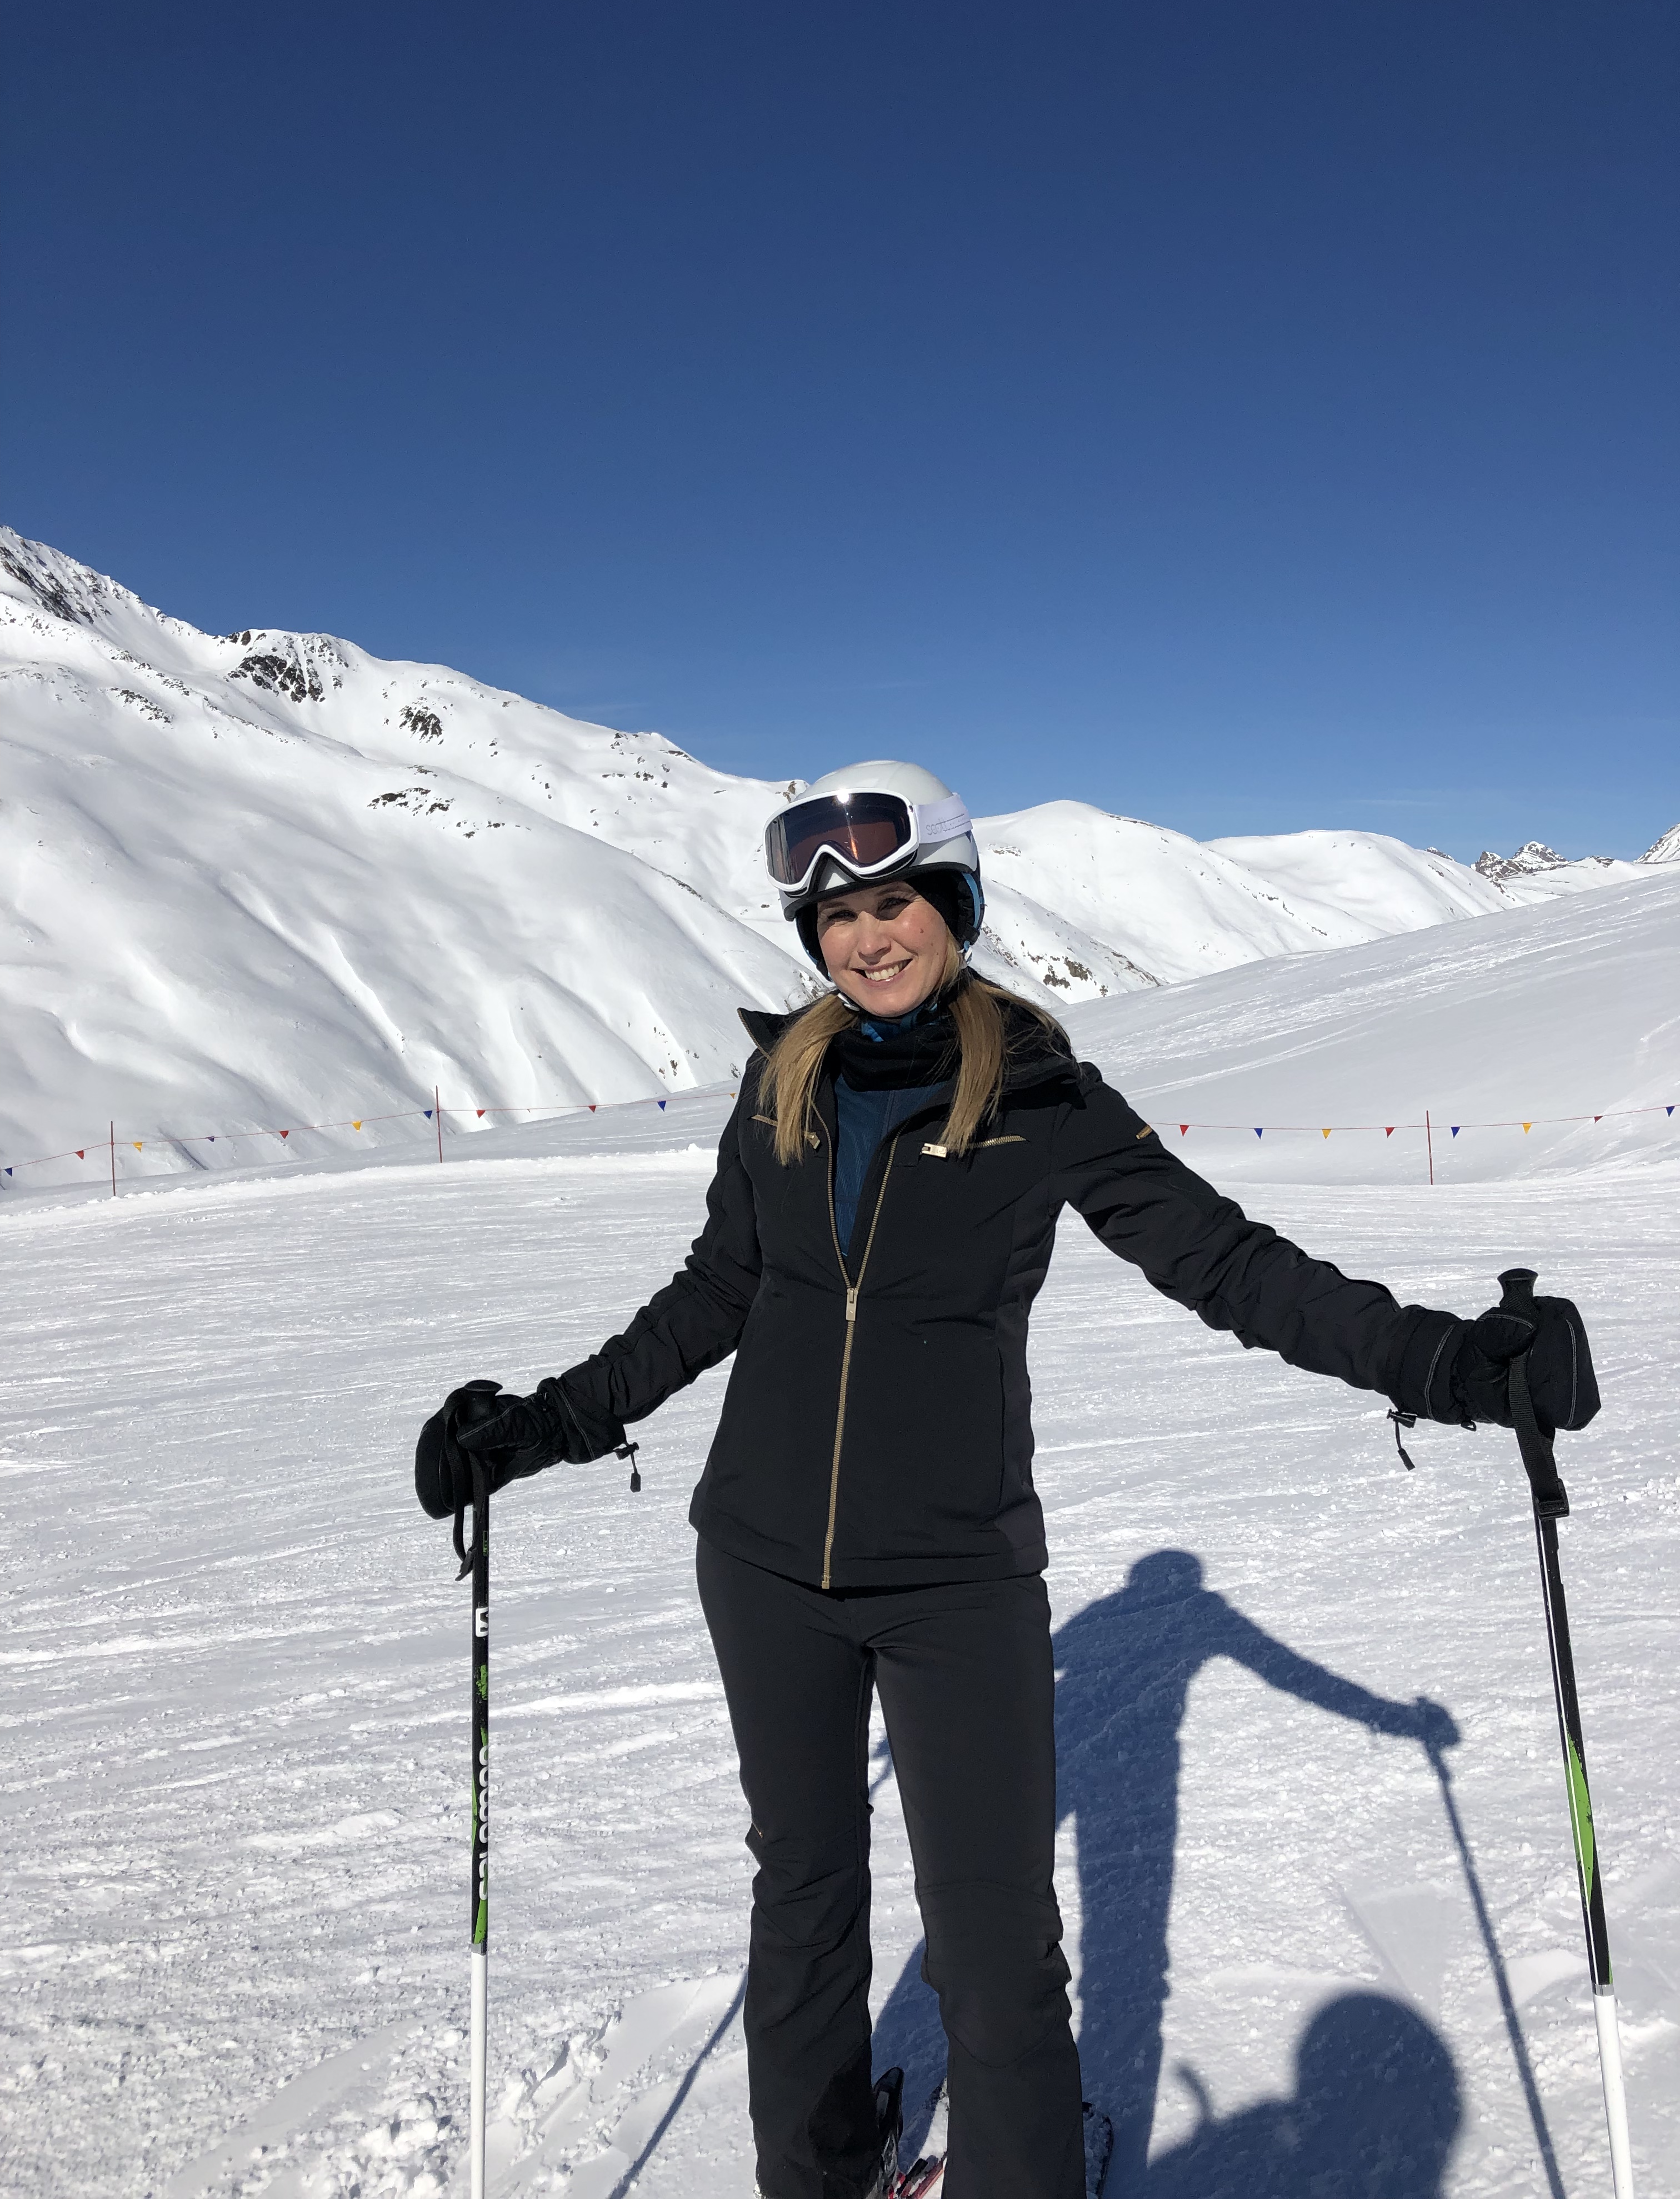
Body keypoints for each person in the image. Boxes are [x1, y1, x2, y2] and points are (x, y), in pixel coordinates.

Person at [415, 761, 1600, 2199]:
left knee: (991, 1940)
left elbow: (1226, 1264)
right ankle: (819, 2174)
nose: (867, 938)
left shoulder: (1039, 1092)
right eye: (836, 915)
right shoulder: (782, 1081)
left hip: (956, 1576)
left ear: (956, 901)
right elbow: (715, 1292)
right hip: (762, 1560)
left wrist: (1443, 1364)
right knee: (803, 1900)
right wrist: (539, 1427)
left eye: (894, 901)